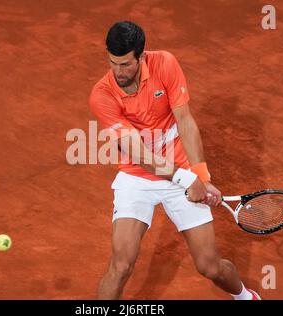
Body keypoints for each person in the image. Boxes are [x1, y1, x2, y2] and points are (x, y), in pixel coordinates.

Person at [89, 21, 260, 300]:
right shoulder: (102, 95)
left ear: (141, 56)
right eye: (112, 63)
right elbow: (138, 154)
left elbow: (185, 120)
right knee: (120, 266)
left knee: (210, 266)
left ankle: (245, 297)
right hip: (137, 177)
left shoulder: (165, 63)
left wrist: (202, 177)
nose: (118, 72)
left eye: (126, 65)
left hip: (181, 171)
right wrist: (186, 178)